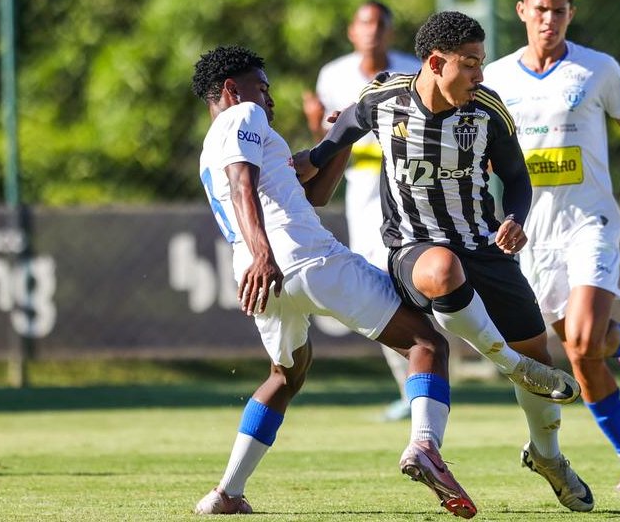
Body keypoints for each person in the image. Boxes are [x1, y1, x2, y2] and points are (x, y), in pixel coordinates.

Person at [297, 11, 594, 513]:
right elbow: (341, 130)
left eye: (481, 63)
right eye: (470, 64)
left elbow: (517, 179)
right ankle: (508, 365)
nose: (480, 74)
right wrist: (314, 156)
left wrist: (515, 218)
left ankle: (548, 457)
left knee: (540, 359)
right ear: (436, 62)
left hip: (484, 246)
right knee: (442, 272)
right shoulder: (384, 98)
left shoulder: (487, 109)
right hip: (414, 247)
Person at [190, 45, 477, 518]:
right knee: (427, 343)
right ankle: (425, 446)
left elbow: (314, 194)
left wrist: (342, 137)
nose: (269, 99)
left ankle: (226, 493)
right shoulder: (241, 114)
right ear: (230, 89)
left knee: (285, 376)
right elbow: (242, 182)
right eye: (262, 88)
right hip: (300, 259)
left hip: (263, 278)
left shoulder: (221, 141)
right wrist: (265, 252)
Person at [482, 0, 620, 491]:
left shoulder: (597, 69)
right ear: (522, 11)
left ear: (570, 15)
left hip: (591, 221)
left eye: (559, 12)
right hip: (532, 234)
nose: (549, 21)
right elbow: (483, 152)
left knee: (582, 342)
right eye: (540, 10)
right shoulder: (496, 77)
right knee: (583, 350)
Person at [302, 0, 421, 421]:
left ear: (389, 31)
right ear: (353, 31)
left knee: (419, 284)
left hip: (410, 186)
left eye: (379, 24)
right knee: (381, 289)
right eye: (364, 23)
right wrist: (317, 122)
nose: (371, 31)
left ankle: (429, 376)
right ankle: (412, 390)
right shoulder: (333, 75)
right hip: (363, 194)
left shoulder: (411, 68)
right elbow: (329, 140)